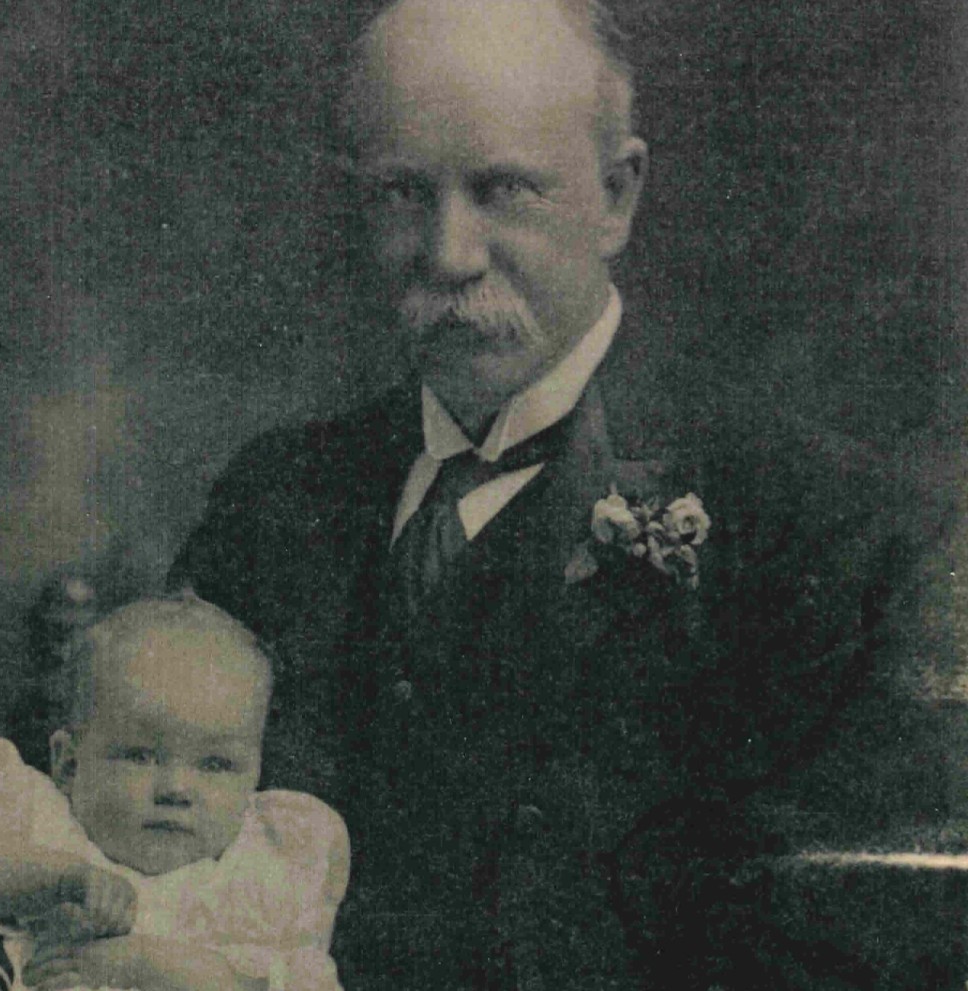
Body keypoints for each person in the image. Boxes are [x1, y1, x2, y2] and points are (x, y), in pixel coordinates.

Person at [168, 1, 953, 988]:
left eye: (503, 191)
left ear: (616, 196)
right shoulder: (275, 495)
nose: (448, 253)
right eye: (403, 193)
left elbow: (854, 935)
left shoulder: (825, 528)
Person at [0, 595, 350, 991]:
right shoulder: (41, 818)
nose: (176, 789)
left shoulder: (268, 864)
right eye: (140, 756)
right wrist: (60, 876)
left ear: (254, 775)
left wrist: (160, 969)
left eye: (216, 764)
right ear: (68, 763)